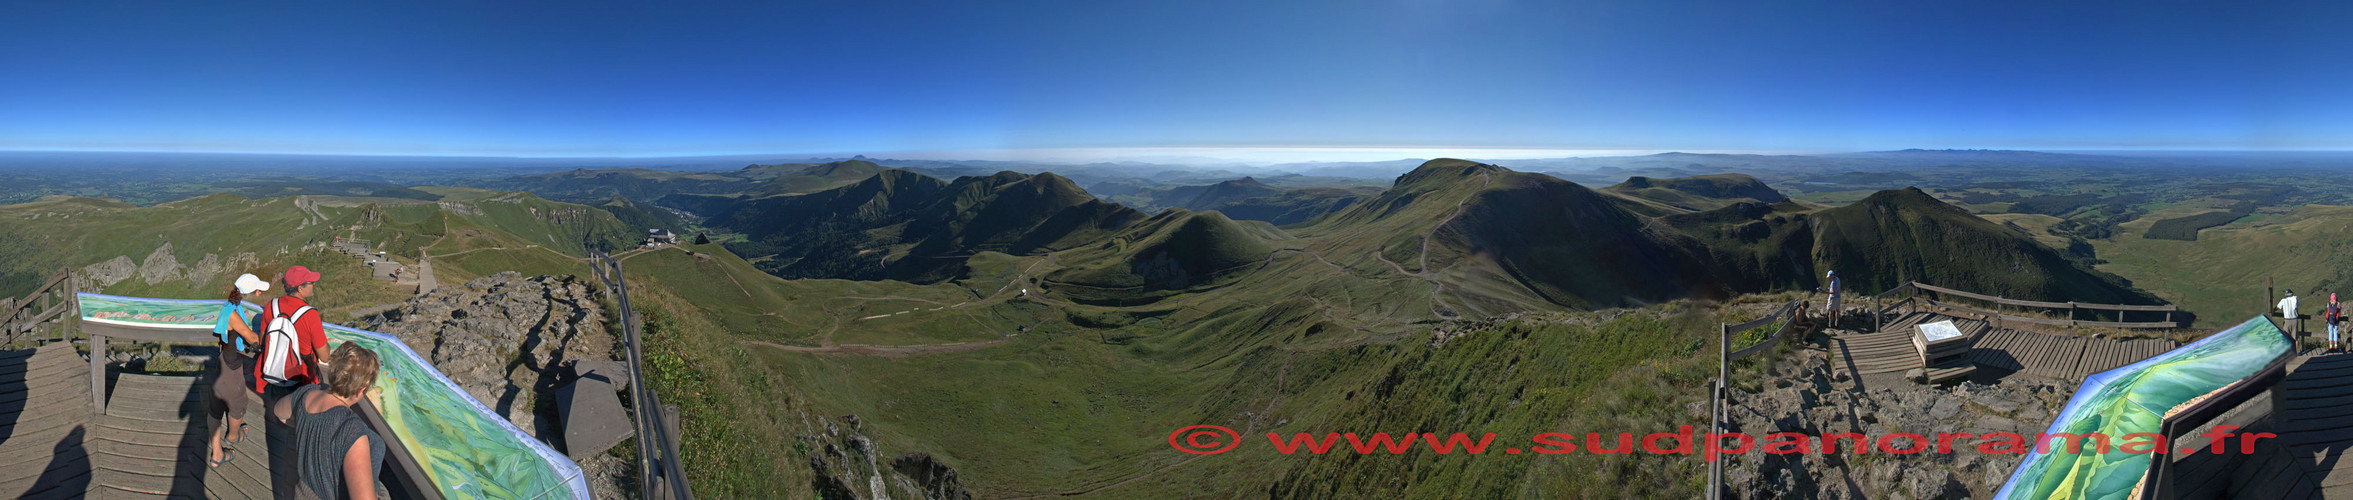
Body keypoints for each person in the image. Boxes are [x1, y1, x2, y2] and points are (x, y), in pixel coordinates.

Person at [273, 343, 385, 500]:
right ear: (361, 390)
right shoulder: (352, 430)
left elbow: (279, 412)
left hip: (303, 492)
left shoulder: (306, 394)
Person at [208, 273, 270, 468]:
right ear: (249, 292)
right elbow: (252, 338)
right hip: (231, 368)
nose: (259, 293)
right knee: (238, 405)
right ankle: (232, 437)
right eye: (257, 290)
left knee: (215, 408)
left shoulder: (229, 306)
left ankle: (217, 451)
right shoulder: (234, 314)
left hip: (222, 362)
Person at [255, 266, 330, 403]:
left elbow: (263, 340)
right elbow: (324, 357)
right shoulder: (310, 314)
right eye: (311, 282)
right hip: (300, 378)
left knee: (276, 410)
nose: (314, 285)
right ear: (300, 288)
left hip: (272, 372)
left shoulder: (271, 305)